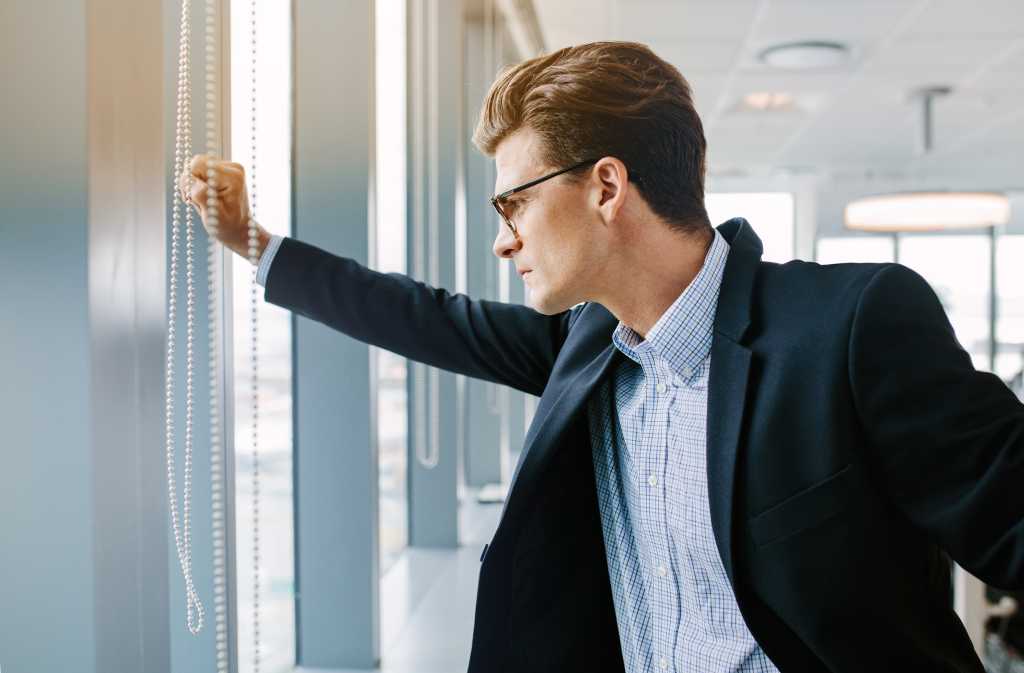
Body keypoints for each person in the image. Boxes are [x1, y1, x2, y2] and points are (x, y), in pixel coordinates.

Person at [182, 41, 1024, 673]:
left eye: (513, 201)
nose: (502, 238)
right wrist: (253, 243)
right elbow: (427, 318)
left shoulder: (851, 323)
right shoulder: (588, 348)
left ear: (607, 187)